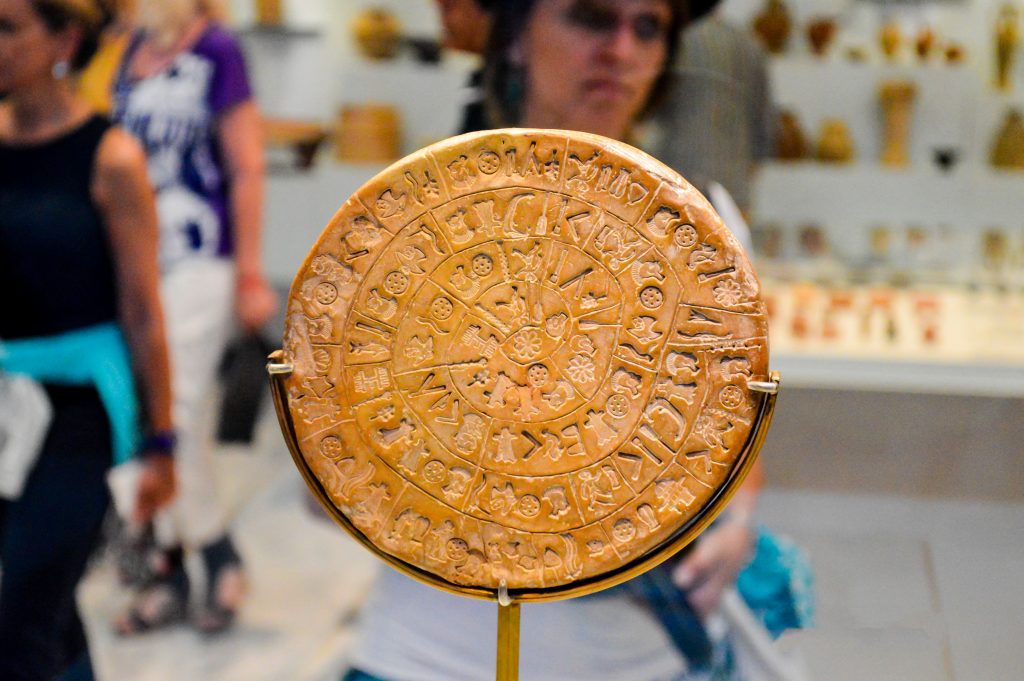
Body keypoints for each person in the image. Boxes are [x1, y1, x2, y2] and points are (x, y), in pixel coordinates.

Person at [341, 1, 763, 680]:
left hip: (636, 657)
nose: (621, 50)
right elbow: (333, 472)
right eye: (591, 17)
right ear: (513, 37)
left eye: (647, 26)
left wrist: (736, 517)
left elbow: (736, 424)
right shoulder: (411, 220)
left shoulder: (701, 231)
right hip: (438, 657)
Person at [0, 0, 176, 678]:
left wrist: (160, 442)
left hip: (83, 412)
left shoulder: (111, 157)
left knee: (20, 614)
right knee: (46, 610)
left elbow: (142, 310)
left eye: (9, 29)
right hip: (10, 403)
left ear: (65, 39)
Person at [108, 0, 277, 634]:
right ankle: (186, 568)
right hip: (137, 262)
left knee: (172, 415)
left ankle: (203, 555)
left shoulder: (217, 51)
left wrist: (252, 271)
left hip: (202, 254)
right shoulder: (132, 51)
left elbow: (246, 165)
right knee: (156, 418)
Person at [646, 7, 775, 216]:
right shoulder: (750, 45)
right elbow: (765, 134)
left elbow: (645, 118)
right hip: (734, 195)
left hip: (672, 189)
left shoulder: (673, 40)